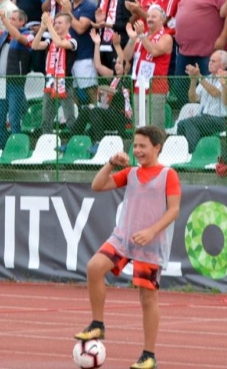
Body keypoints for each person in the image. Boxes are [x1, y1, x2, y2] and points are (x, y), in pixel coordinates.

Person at [76, 125, 180, 369]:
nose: (138, 150)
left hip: (151, 244)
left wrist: (152, 231)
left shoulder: (168, 175)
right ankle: (97, 325)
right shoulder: (131, 172)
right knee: (94, 267)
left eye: (143, 146)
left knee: (147, 299)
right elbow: (97, 185)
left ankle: (148, 354)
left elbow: (174, 209)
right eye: (135, 146)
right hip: (123, 238)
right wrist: (111, 162)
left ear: (157, 147)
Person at [176, 50, 227, 152]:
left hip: (220, 119)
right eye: (210, 60)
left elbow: (215, 93)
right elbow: (193, 99)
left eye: (213, 61)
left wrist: (199, 77)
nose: (210, 63)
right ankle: (183, 153)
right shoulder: (206, 79)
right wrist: (193, 80)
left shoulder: (225, 78)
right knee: (181, 124)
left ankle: (193, 153)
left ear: (222, 65)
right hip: (205, 118)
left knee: (190, 123)